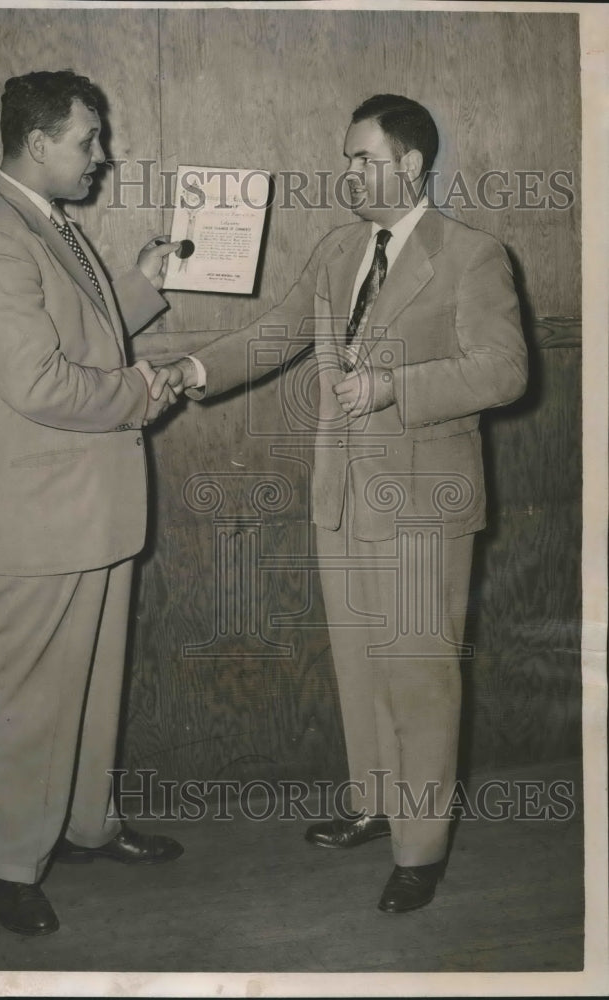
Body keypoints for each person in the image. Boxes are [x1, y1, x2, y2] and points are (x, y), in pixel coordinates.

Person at [158, 94, 528, 913]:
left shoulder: (472, 254)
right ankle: (374, 803)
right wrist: (190, 372)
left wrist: (395, 385)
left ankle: (420, 847)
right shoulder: (339, 249)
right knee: (362, 669)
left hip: (424, 505)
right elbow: (277, 331)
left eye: (362, 159)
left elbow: (504, 371)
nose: (348, 173)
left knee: (419, 679)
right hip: (343, 498)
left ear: (409, 164)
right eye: (346, 159)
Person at [0, 69, 184, 937]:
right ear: (39, 142)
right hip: (43, 513)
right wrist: (137, 393)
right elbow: (39, 380)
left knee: (88, 685)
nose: (101, 155)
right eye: (88, 140)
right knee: (25, 696)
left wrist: (140, 281)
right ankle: (9, 864)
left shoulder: (45, 223)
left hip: (89, 505)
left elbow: (75, 325)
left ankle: (84, 828)